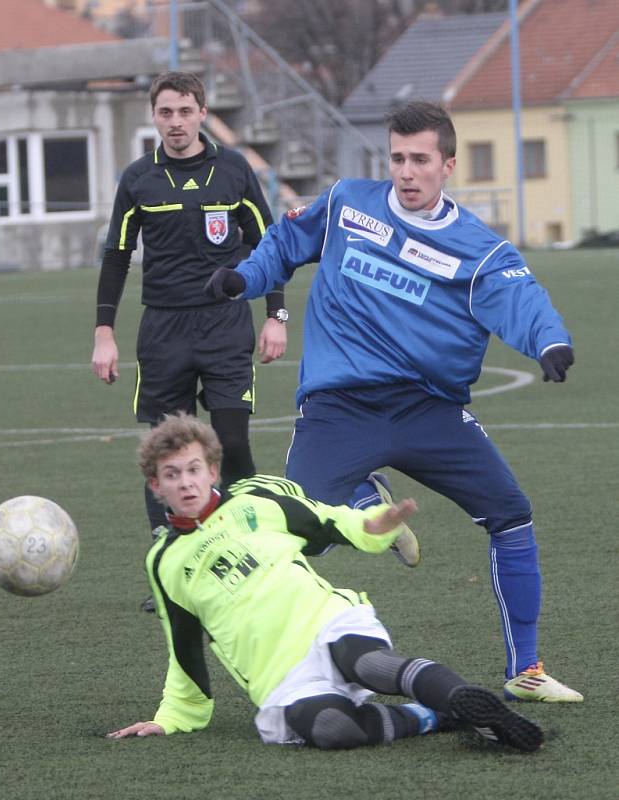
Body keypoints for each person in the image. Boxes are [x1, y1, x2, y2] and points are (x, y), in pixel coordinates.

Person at [205, 101, 581, 703]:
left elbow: (523, 300)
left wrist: (549, 340)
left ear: (448, 165)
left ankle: (526, 670)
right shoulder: (348, 204)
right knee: (299, 539)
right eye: (398, 158)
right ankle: (356, 508)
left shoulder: (478, 250)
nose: (407, 172)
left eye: (420, 160)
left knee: (512, 515)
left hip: (429, 410)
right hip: (338, 408)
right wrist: (243, 278)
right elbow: (284, 240)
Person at [107, 413, 543, 753]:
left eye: (193, 469)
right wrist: (173, 716)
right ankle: (436, 717)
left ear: (213, 471)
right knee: (333, 730)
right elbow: (183, 645)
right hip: (277, 673)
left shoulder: (256, 501)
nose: (185, 482)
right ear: (155, 485)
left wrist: (377, 524)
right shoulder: (164, 561)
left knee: (372, 666)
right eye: (172, 474)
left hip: (323, 623)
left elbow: (330, 520)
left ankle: (483, 711)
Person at [91, 72, 288, 592]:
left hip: (225, 326)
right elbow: (116, 258)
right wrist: (103, 332)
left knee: (234, 441)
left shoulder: (234, 169)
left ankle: (255, 551)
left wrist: (276, 314)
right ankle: (172, 577)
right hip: (163, 330)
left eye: (184, 111)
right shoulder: (138, 179)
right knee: (165, 454)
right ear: (154, 117)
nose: (175, 122)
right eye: (165, 113)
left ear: (202, 113)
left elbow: (271, 244)